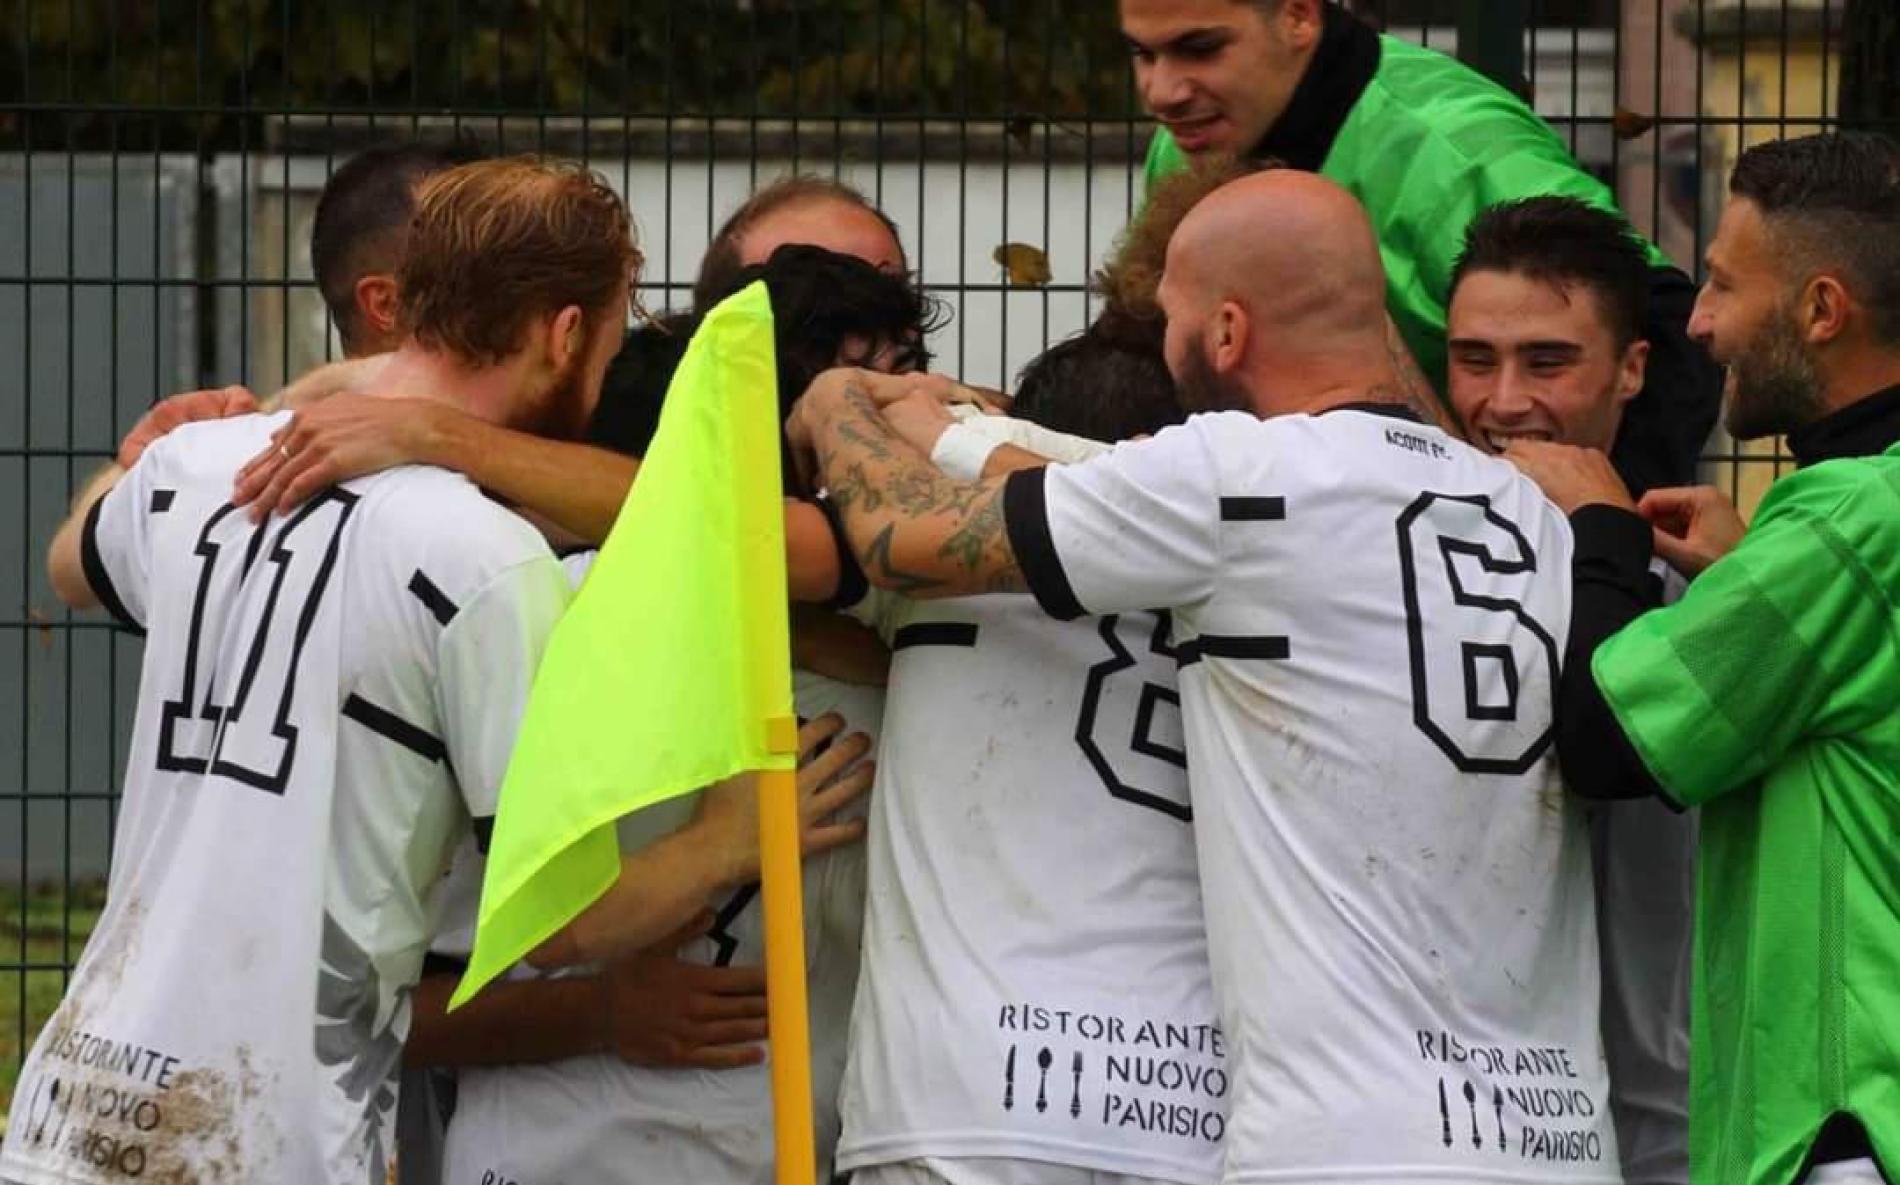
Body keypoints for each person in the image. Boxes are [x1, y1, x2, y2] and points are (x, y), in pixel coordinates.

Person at [0, 157, 866, 1185]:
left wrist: (160, 443)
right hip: (260, 1138)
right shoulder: (484, 563)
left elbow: (69, 562)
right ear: (566, 333)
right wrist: (731, 838)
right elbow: (564, 924)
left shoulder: (207, 468)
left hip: (72, 1107)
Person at [789, 169, 1619, 1183]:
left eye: (1174, 318)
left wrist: (837, 405)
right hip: (1561, 1142)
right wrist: (955, 423)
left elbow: (896, 538)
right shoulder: (1536, 509)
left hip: (1345, 1146)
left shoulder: (1236, 475)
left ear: (1225, 333)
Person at [1506, 131, 1900, 1185]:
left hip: (1840, 1129)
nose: (1701, 322)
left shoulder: (1850, 519)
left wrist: (1602, 533)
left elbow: (1602, 745)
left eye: (1724, 283)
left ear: (1822, 311)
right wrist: (1745, 580)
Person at [835, 328, 1226, 1185]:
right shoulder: (1241, 565)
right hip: (1191, 1110)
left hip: (960, 1104)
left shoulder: (924, 563)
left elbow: (732, 538)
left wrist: (847, 403)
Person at [1124, 0, 1720, 494]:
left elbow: (1671, 330)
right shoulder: (1186, 145)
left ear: (1298, 16)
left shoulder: (1456, 145)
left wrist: (1597, 557)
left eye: (1200, 49)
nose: (1163, 92)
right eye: (1143, 54)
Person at [1445, 195, 1692, 1185]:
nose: (1503, 401)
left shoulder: (1691, 594)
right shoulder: (1377, 575)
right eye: (1472, 358)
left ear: (1632, 368)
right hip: (1451, 1129)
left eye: (1546, 362)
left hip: (1661, 1135)